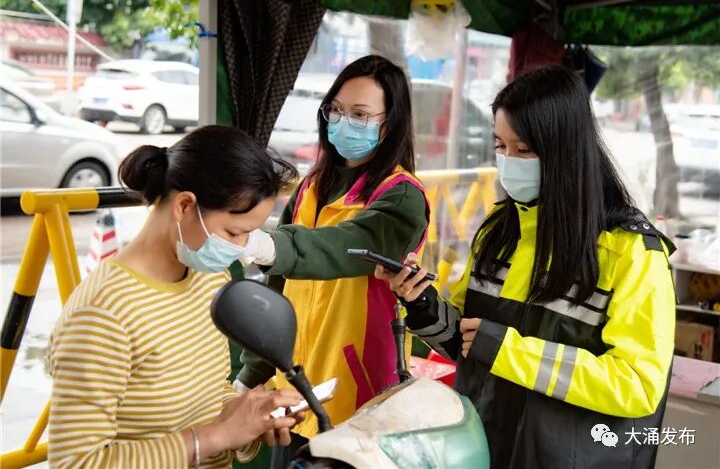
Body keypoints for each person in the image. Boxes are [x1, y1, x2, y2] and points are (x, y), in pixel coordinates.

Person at [377, 65, 676, 469]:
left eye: (524, 150)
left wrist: (507, 349)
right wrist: (422, 303)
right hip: (482, 451)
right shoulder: (499, 232)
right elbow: (469, 344)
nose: (508, 161)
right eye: (500, 146)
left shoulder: (631, 253)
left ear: (566, 151)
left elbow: (637, 385)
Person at [47, 126, 304, 469]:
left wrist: (250, 418)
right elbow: (75, 462)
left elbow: (206, 397)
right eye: (233, 232)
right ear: (184, 205)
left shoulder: (208, 278)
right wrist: (218, 436)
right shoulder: (102, 315)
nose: (241, 248)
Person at [236, 55, 430, 467]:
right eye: (336, 110)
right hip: (294, 390)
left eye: (360, 114)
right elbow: (277, 292)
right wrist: (251, 375)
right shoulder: (311, 186)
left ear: (390, 124)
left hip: (357, 400)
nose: (343, 122)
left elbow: (347, 245)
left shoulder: (402, 196)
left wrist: (269, 247)